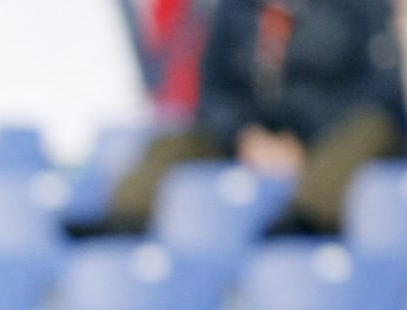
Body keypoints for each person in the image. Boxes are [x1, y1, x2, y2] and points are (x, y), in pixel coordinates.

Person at [87, 0, 404, 236]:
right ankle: (123, 218)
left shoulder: (357, 6)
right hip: (250, 133)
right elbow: (211, 88)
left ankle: (305, 221)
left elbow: (378, 90)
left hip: (328, 133)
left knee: (369, 131)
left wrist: (302, 140)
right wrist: (246, 136)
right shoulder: (235, 9)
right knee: (175, 141)